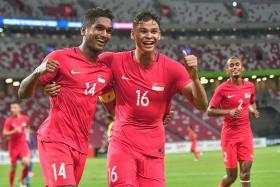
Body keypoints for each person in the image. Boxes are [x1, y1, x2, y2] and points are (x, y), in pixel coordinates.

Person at [99, 11, 208, 187]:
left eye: (154, 31)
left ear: (159, 35)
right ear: (133, 34)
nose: (149, 36)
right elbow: (84, 70)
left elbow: (202, 105)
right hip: (122, 144)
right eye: (143, 31)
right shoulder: (112, 60)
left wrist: (195, 77)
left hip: (153, 150)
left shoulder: (173, 69)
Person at [18, 8, 115, 187]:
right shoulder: (60, 57)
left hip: (80, 145)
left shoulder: (105, 71)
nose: (104, 34)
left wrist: (154, 114)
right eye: (99, 28)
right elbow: (23, 93)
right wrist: (36, 73)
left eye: (108, 31)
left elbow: (112, 106)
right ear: (83, 30)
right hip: (56, 138)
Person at [207, 57, 260, 187]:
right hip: (229, 137)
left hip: (245, 134)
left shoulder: (250, 86)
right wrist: (228, 112)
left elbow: (251, 102)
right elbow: (209, 111)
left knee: (246, 173)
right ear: (227, 70)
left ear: (242, 68)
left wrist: (253, 110)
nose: (235, 67)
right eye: (231, 65)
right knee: (232, 177)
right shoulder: (222, 89)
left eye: (237, 64)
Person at [3, 103, 31, 187]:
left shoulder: (25, 118)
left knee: (27, 162)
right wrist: (13, 131)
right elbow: (4, 133)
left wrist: (28, 136)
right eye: (11, 108)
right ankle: (11, 185)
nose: (12, 109)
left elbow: (28, 127)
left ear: (19, 109)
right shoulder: (9, 120)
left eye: (14, 107)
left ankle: (21, 179)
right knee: (13, 167)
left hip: (22, 144)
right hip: (13, 146)